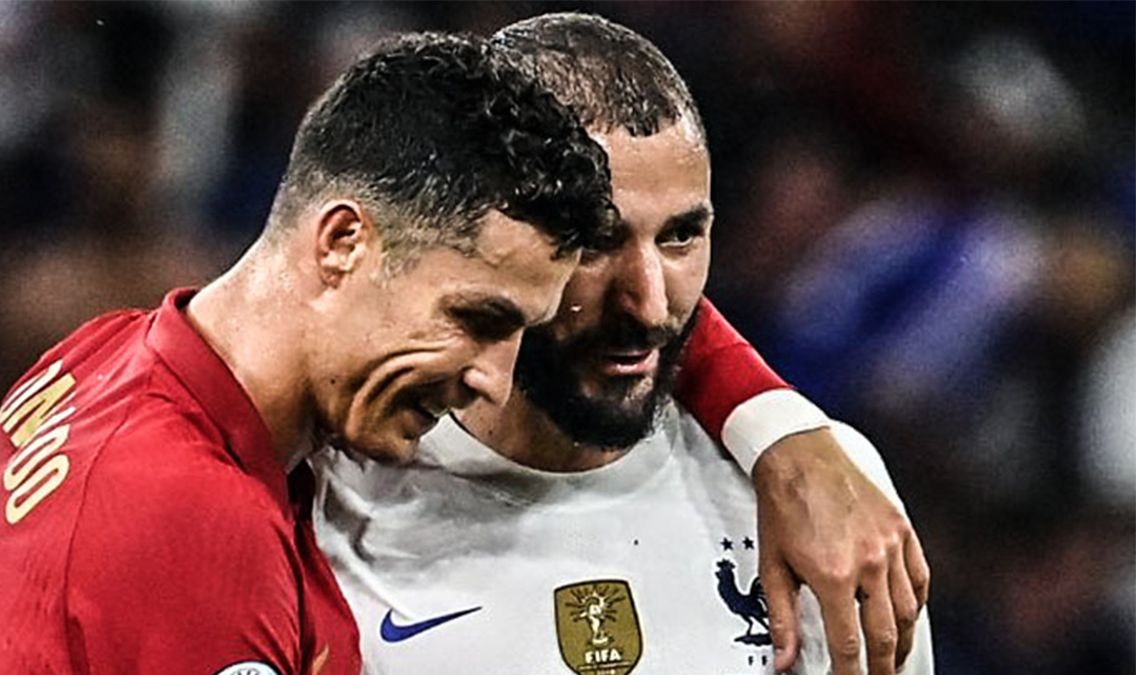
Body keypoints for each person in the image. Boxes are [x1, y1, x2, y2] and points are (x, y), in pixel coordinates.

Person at [0, 32, 618, 674]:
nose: (493, 379)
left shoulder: (98, 355)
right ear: (342, 243)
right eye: (476, 318)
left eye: (521, 333)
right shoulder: (194, 517)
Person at [313, 13, 932, 675]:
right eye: (596, 241)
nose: (650, 304)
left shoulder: (826, 497)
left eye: (681, 236)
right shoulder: (326, 495)